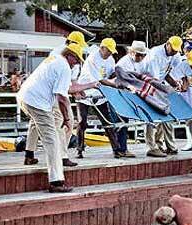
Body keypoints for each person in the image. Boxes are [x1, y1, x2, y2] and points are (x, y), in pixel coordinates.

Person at [17, 43, 97, 193]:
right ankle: (56, 181)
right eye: (76, 60)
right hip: (37, 102)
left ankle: (29, 155)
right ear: (69, 55)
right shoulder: (64, 67)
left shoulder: (54, 59)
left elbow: (68, 89)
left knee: (38, 127)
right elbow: (62, 98)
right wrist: (67, 119)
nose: (77, 64)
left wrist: (86, 87)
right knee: (52, 140)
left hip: (25, 97)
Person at [24, 31, 89, 167]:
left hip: (39, 94)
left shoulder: (55, 53)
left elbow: (68, 82)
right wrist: (75, 91)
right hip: (54, 94)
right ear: (71, 44)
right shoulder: (62, 59)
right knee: (65, 122)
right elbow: (64, 86)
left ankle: (29, 154)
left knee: (35, 122)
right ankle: (62, 156)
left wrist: (77, 90)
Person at [76, 38, 122, 159]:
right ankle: (79, 149)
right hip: (85, 92)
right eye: (108, 50)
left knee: (107, 121)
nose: (110, 53)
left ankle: (116, 149)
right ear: (102, 48)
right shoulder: (93, 59)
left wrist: (119, 75)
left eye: (112, 51)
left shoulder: (110, 59)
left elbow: (111, 73)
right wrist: (114, 84)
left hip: (100, 94)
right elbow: (99, 79)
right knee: (82, 122)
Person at [142, 36, 184, 157]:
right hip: (147, 84)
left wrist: (176, 83)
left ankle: (163, 145)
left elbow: (169, 73)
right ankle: (151, 146)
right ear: (167, 44)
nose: (175, 52)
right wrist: (168, 89)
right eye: (173, 49)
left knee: (165, 114)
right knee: (150, 116)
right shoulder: (155, 54)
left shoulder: (175, 55)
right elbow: (155, 79)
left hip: (160, 84)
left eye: (177, 50)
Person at [111, 40, 150, 158]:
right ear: (132, 52)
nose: (141, 57)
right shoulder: (123, 63)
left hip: (130, 95)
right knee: (119, 122)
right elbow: (122, 80)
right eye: (138, 55)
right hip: (120, 94)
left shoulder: (142, 63)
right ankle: (120, 149)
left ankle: (121, 148)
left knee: (124, 122)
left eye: (143, 55)